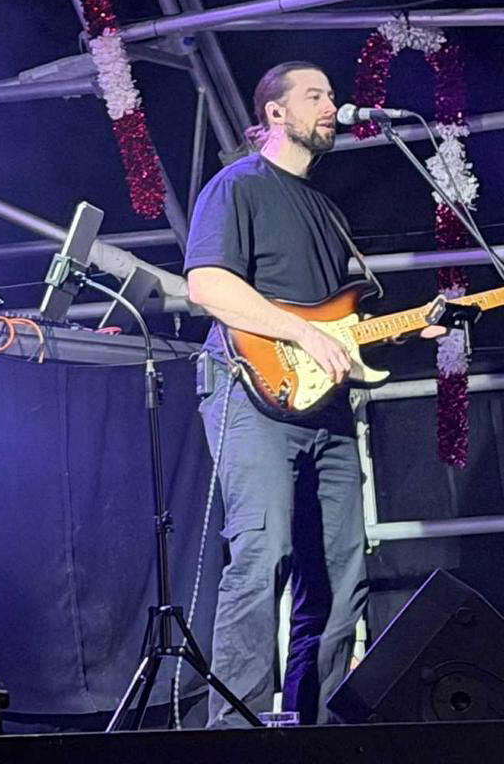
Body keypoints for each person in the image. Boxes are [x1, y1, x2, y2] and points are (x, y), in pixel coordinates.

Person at [185, 61, 394, 726]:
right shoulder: (238, 185)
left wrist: (417, 325)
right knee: (262, 555)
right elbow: (207, 285)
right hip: (251, 392)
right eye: (315, 96)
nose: (332, 105)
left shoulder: (329, 213)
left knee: (340, 572)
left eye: (332, 95)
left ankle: (320, 731)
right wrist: (301, 332)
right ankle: (235, 732)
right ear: (275, 112)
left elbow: (337, 322)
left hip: (325, 407)